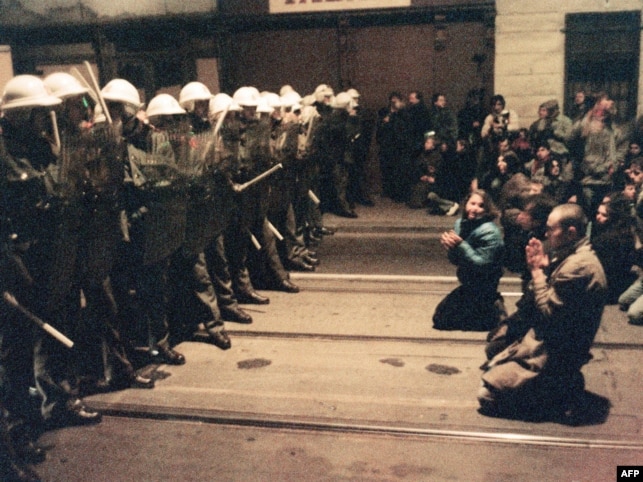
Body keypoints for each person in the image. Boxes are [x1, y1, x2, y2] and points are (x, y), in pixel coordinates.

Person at [479, 203, 608, 421]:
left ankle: (559, 390)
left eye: (551, 229)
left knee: (486, 396)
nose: (546, 234)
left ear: (571, 232)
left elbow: (549, 312)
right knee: (495, 349)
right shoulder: (571, 254)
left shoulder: (578, 267)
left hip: (557, 350)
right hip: (550, 337)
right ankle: (556, 384)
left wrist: (538, 273)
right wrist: (542, 272)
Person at [433, 189, 505, 331]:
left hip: (484, 284)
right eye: (472, 203)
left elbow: (483, 264)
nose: (475, 209)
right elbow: (456, 260)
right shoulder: (461, 224)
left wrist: (460, 245)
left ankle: (495, 305)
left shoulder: (490, 232)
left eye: (480, 206)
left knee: (479, 324)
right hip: (468, 283)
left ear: (486, 210)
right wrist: (452, 248)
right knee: (441, 319)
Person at [590, 192, 637, 304]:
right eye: (598, 213)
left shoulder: (605, 240)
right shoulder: (627, 233)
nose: (598, 217)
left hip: (605, 289)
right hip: (619, 284)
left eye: (603, 215)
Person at [407, 131, 459, 215]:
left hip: (436, 180)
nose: (425, 145)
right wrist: (421, 175)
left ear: (433, 145)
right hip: (425, 178)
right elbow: (417, 167)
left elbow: (441, 172)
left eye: (428, 143)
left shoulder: (438, 157)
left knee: (430, 194)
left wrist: (434, 178)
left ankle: (449, 204)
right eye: (426, 143)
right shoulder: (422, 155)